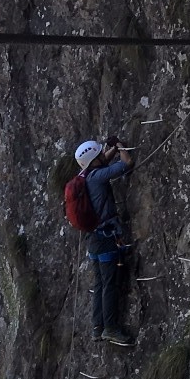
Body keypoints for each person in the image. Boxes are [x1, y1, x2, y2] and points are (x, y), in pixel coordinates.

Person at [74, 135, 134, 346]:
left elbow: (101, 163)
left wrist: (108, 151)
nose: (103, 155)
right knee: (109, 284)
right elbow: (126, 163)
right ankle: (110, 328)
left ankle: (97, 327)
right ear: (94, 159)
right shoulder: (98, 177)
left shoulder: (85, 175)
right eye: (100, 154)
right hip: (106, 238)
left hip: (94, 239)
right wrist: (120, 146)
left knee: (100, 283)